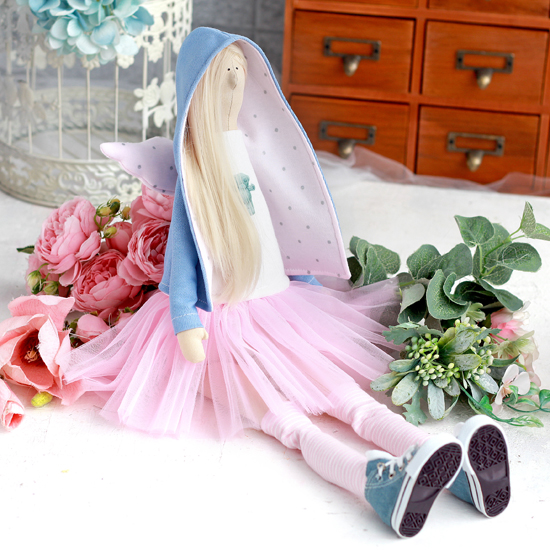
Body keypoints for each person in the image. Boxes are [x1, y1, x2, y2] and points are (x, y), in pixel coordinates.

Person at [62, 27, 510, 537]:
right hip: (218, 322)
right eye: (224, 75)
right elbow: (184, 259)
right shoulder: (197, 176)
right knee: (285, 417)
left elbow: (269, 229)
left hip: (278, 303)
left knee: (340, 393)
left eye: (240, 73)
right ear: (200, 88)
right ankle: (377, 482)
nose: (236, 85)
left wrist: (306, 283)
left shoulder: (248, 155)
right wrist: (185, 318)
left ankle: (438, 458)